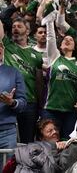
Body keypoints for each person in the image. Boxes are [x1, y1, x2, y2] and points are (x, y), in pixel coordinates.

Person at [41, 5, 77, 140]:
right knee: (49, 142)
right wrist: (49, 21)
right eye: (64, 40)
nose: (67, 39)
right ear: (60, 46)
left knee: (68, 144)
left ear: (75, 46)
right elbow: (50, 39)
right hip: (51, 108)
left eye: (71, 40)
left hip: (70, 111)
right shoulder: (54, 57)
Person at [0, 17, 43, 144]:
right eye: (13, 27)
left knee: (27, 142)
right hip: (6, 101)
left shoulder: (37, 55)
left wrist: (39, 104)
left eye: (19, 26)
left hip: (29, 102)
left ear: (28, 31)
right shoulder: (7, 46)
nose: (15, 29)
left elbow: (39, 81)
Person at [0, 38, 27, 170]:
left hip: (7, 132)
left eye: (0, 46)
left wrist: (12, 102)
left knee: (7, 170)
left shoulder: (14, 72)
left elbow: (23, 104)